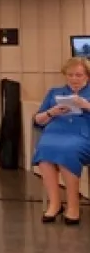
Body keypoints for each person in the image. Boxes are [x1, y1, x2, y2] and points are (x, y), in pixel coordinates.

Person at [32, 56, 90, 225]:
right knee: (44, 151)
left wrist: (86, 106)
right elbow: (37, 120)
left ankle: (73, 206)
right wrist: (53, 112)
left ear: (87, 75)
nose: (74, 79)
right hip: (55, 132)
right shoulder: (54, 92)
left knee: (67, 151)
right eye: (70, 75)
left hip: (82, 135)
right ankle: (55, 203)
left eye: (78, 75)